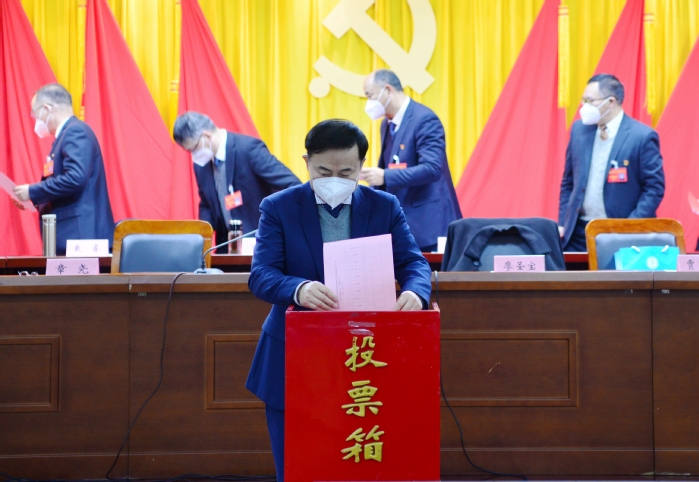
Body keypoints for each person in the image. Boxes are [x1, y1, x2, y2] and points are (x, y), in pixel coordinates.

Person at [245, 119, 432, 480]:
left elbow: (413, 263)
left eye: (346, 172)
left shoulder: (384, 206)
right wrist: (298, 289)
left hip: (365, 356)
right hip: (296, 356)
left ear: (361, 166)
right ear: (306, 162)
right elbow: (262, 275)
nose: (335, 179)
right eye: (323, 171)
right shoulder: (279, 207)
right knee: (299, 462)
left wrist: (414, 292)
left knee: (360, 460)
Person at [559, 74, 665, 251]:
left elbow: (654, 189)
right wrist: (563, 222)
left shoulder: (642, 136)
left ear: (610, 102)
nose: (584, 106)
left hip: (621, 234)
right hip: (578, 233)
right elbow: (568, 182)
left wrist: (630, 228)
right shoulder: (579, 130)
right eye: (583, 100)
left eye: (590, 101)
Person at [359, 69, 461, 252]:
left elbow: (432, 169)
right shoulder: (386, 124)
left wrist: (384, 176)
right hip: (402, 223)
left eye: (370, 95)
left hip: (428, 224)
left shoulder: (424, 119)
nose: (369, 102)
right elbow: (390, 165)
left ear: (387, 90)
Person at [173, 112, 301, 250]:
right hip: (227, 248)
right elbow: (206, 204)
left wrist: (281, 223)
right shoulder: (201, 165)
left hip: (260, 244)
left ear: (207, 136)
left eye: (193, 149)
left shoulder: (248, 149)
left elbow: (291, 184)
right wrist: (201, 237)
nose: (193, 156)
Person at [13, 83, 115, 255]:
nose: (35, 120)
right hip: (74, 237)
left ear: (46, 109)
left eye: (34, 114)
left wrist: (32, 191)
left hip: (81, 237)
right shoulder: (66, 135)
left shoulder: (75, 132)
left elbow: (75, 178)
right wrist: (33, 199)